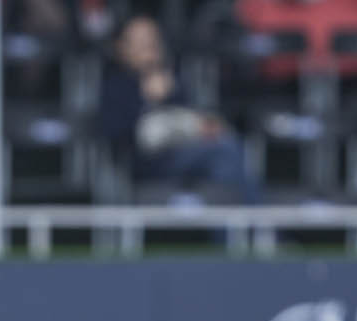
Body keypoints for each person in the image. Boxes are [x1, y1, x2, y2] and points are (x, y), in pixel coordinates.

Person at [98, 15, 262, 203]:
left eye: (153, 39)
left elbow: (188, 117)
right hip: (146, 161)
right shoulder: (116, 85)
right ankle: (250, 217)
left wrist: (204, 124)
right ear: (122, 47)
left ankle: (238, 217)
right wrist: (146, 99)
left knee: (226, 146)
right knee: (225, 152)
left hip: (185, 149)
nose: (149, 45)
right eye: (141, 40)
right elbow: (118, 136)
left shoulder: (171, 78)